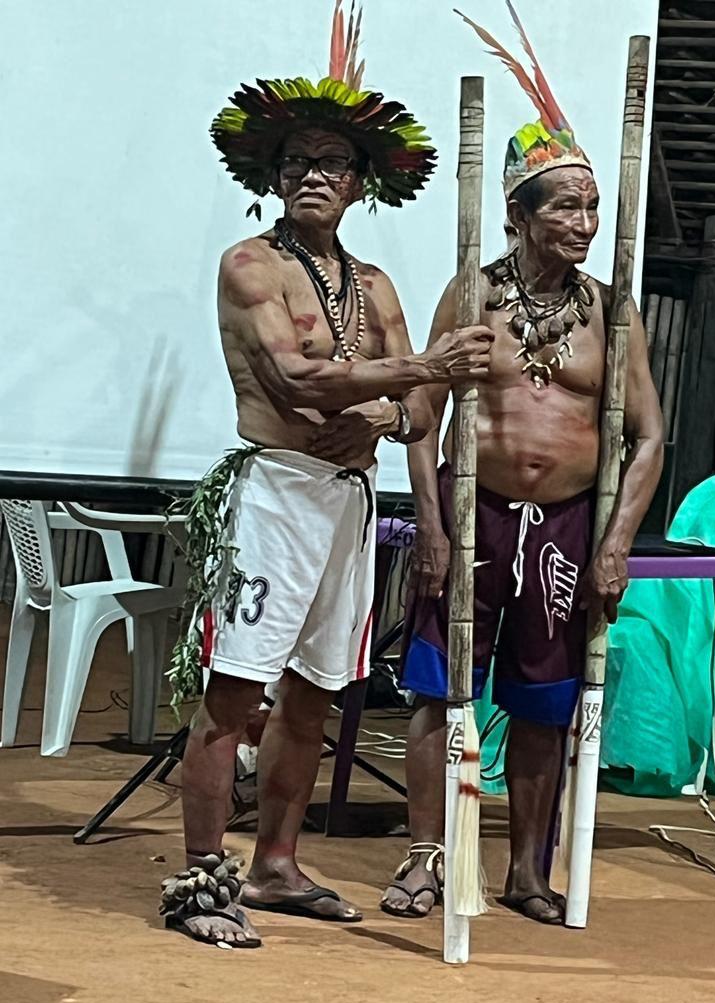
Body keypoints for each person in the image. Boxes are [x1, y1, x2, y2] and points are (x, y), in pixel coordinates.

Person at [158, 2, 493, 948]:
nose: (313, 174)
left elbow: (417, 416)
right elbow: (294, 378)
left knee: (313, 694)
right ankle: (200, 882)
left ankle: (273, 865)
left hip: (345, 504)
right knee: (236, 694)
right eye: (297, 161)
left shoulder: (378, 286)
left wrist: (387, 409)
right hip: (271, 495)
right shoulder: (249, 265)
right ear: (272, 177)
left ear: (359, 187)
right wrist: (416, 375)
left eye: (331, 164)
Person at [381, 6, 664, 925]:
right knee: (439, 689)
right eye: (566, 206)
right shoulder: (472, 295)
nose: (585, 221)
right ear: (517, 214)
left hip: (570, 528)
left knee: (545, 702)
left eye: (591, 205)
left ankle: (527, 871)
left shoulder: (613, 312)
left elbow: (648, 436)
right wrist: (429, 523)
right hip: (474, 516)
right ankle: (427, 858)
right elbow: (423, 416)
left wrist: (616, 542)